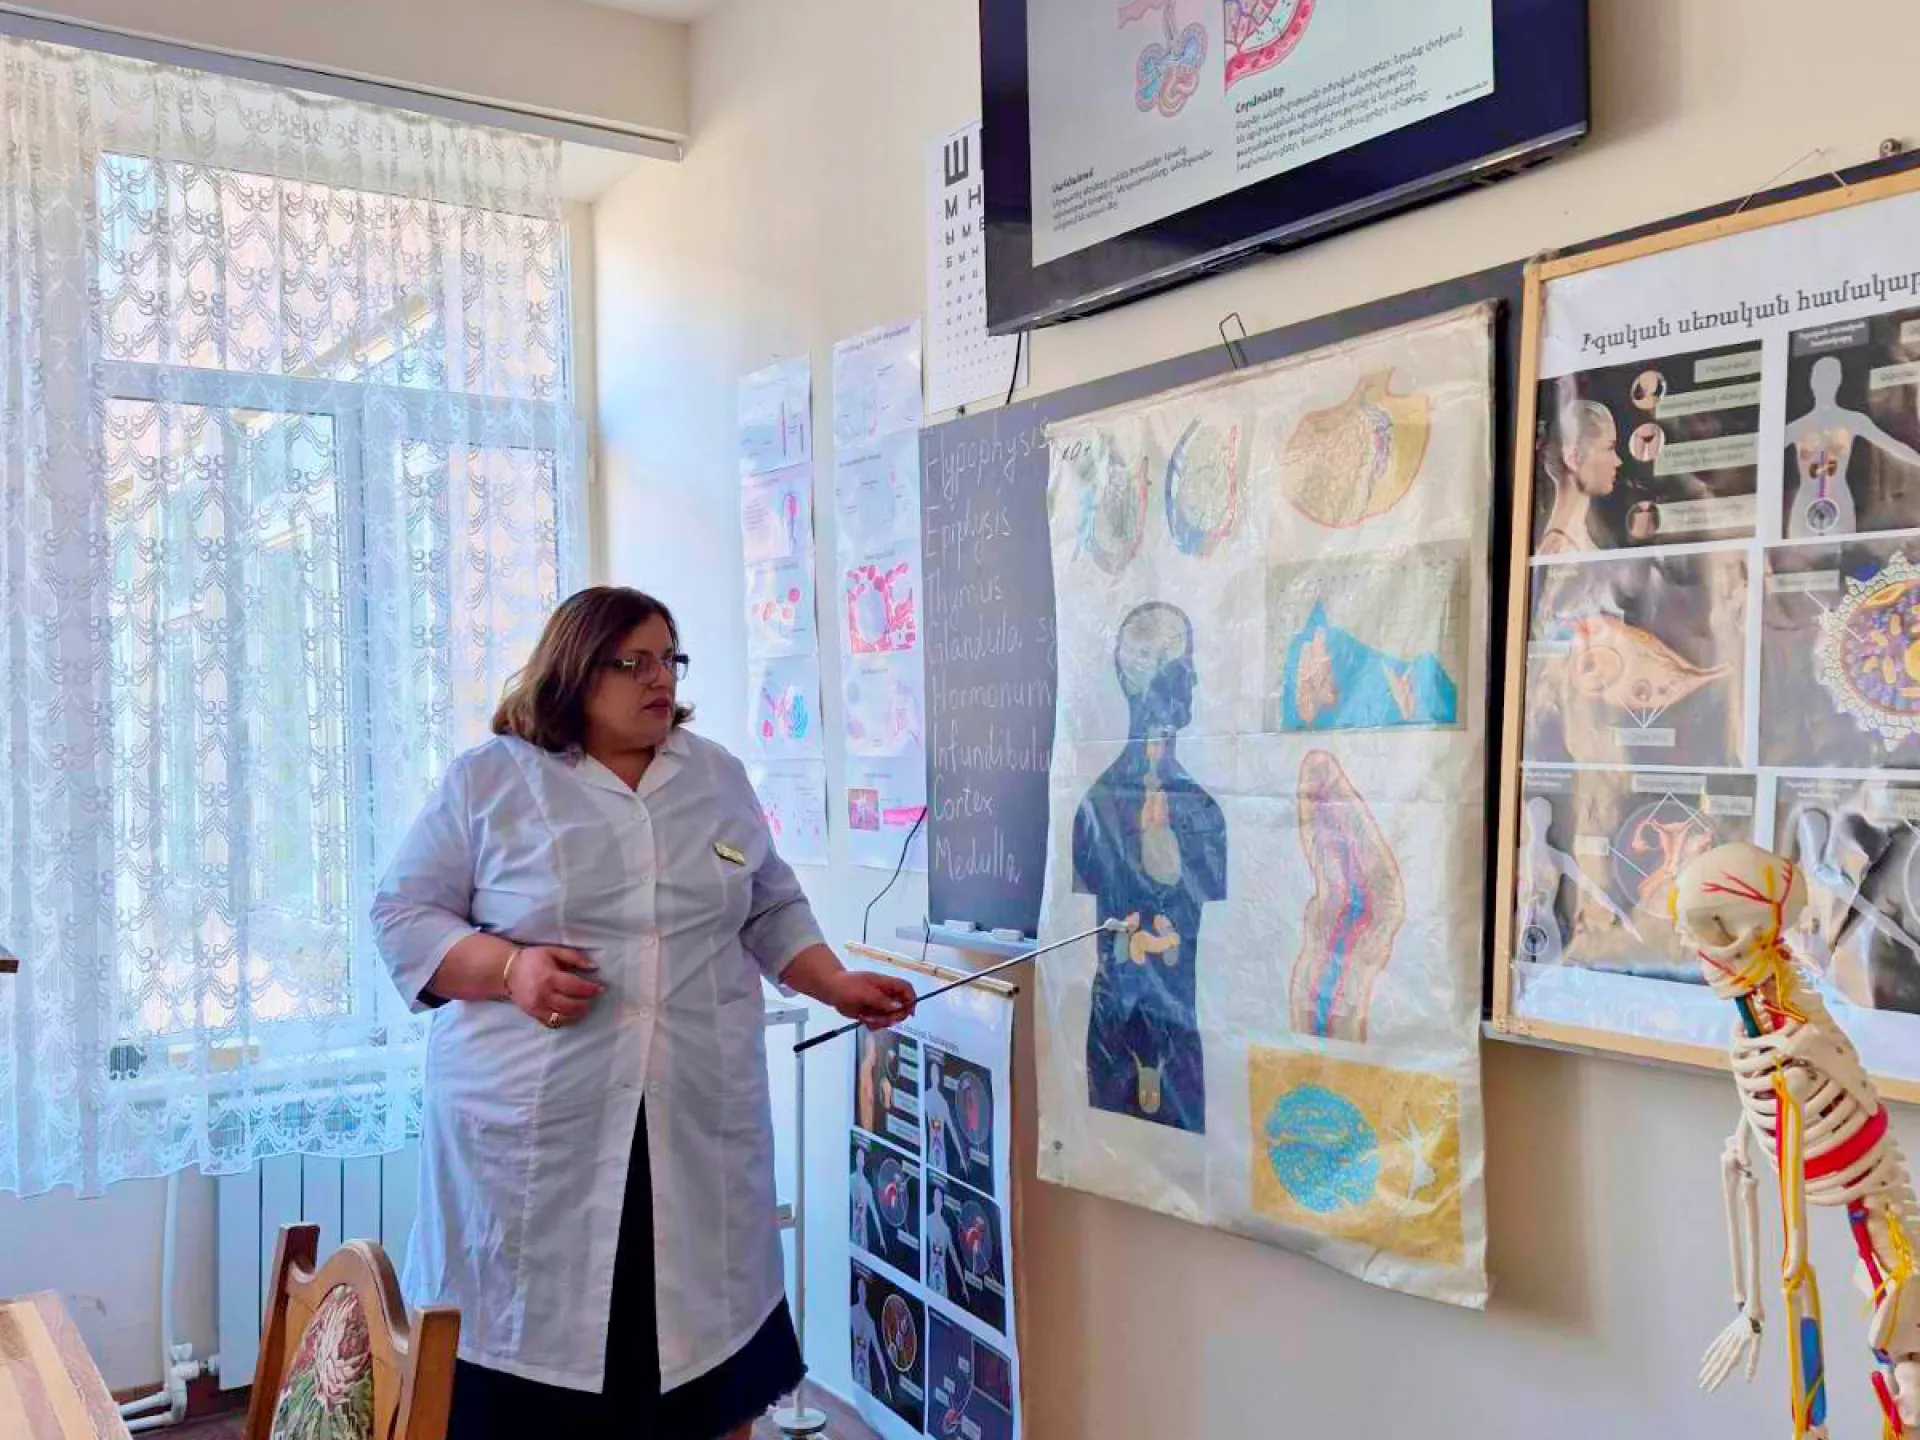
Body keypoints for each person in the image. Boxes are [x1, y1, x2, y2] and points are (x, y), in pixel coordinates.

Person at [371, 586, 917, 1440]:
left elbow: (769, 906)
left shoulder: (715, 777)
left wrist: (835, 983)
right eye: (634, 662)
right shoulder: (491, 780)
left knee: (708, 1371)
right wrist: (511, 969)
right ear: (573, 671)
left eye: (669, 659)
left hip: (693, 1128)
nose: (659, 679)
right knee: (526, 1391)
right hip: (538, 1140)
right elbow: (403, 915)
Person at [1071, 601, 1225, 1133]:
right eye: (1184, 666)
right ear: (1149, 680)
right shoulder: (1099, 807)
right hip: (1118, 1039)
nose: (1195, 680)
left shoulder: (1201, 809)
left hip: (1180, 1042)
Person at [1537, 393, 1622, 555]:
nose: (1618, 461)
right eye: (1609, 448)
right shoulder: (1560, 550)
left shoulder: (1578, 538)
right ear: (1574, 458)